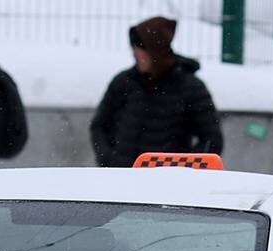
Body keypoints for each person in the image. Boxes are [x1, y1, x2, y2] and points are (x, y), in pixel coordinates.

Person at [90, 16, 224, 168]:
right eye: (134, 48)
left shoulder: (190, 87)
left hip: (167, 184)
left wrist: (181, 169)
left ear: (155, 51)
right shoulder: (124, 82)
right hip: (121, 177)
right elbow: (99, 126)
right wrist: (109, 160)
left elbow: (211, 140)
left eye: (140, 49)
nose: (135, 54)